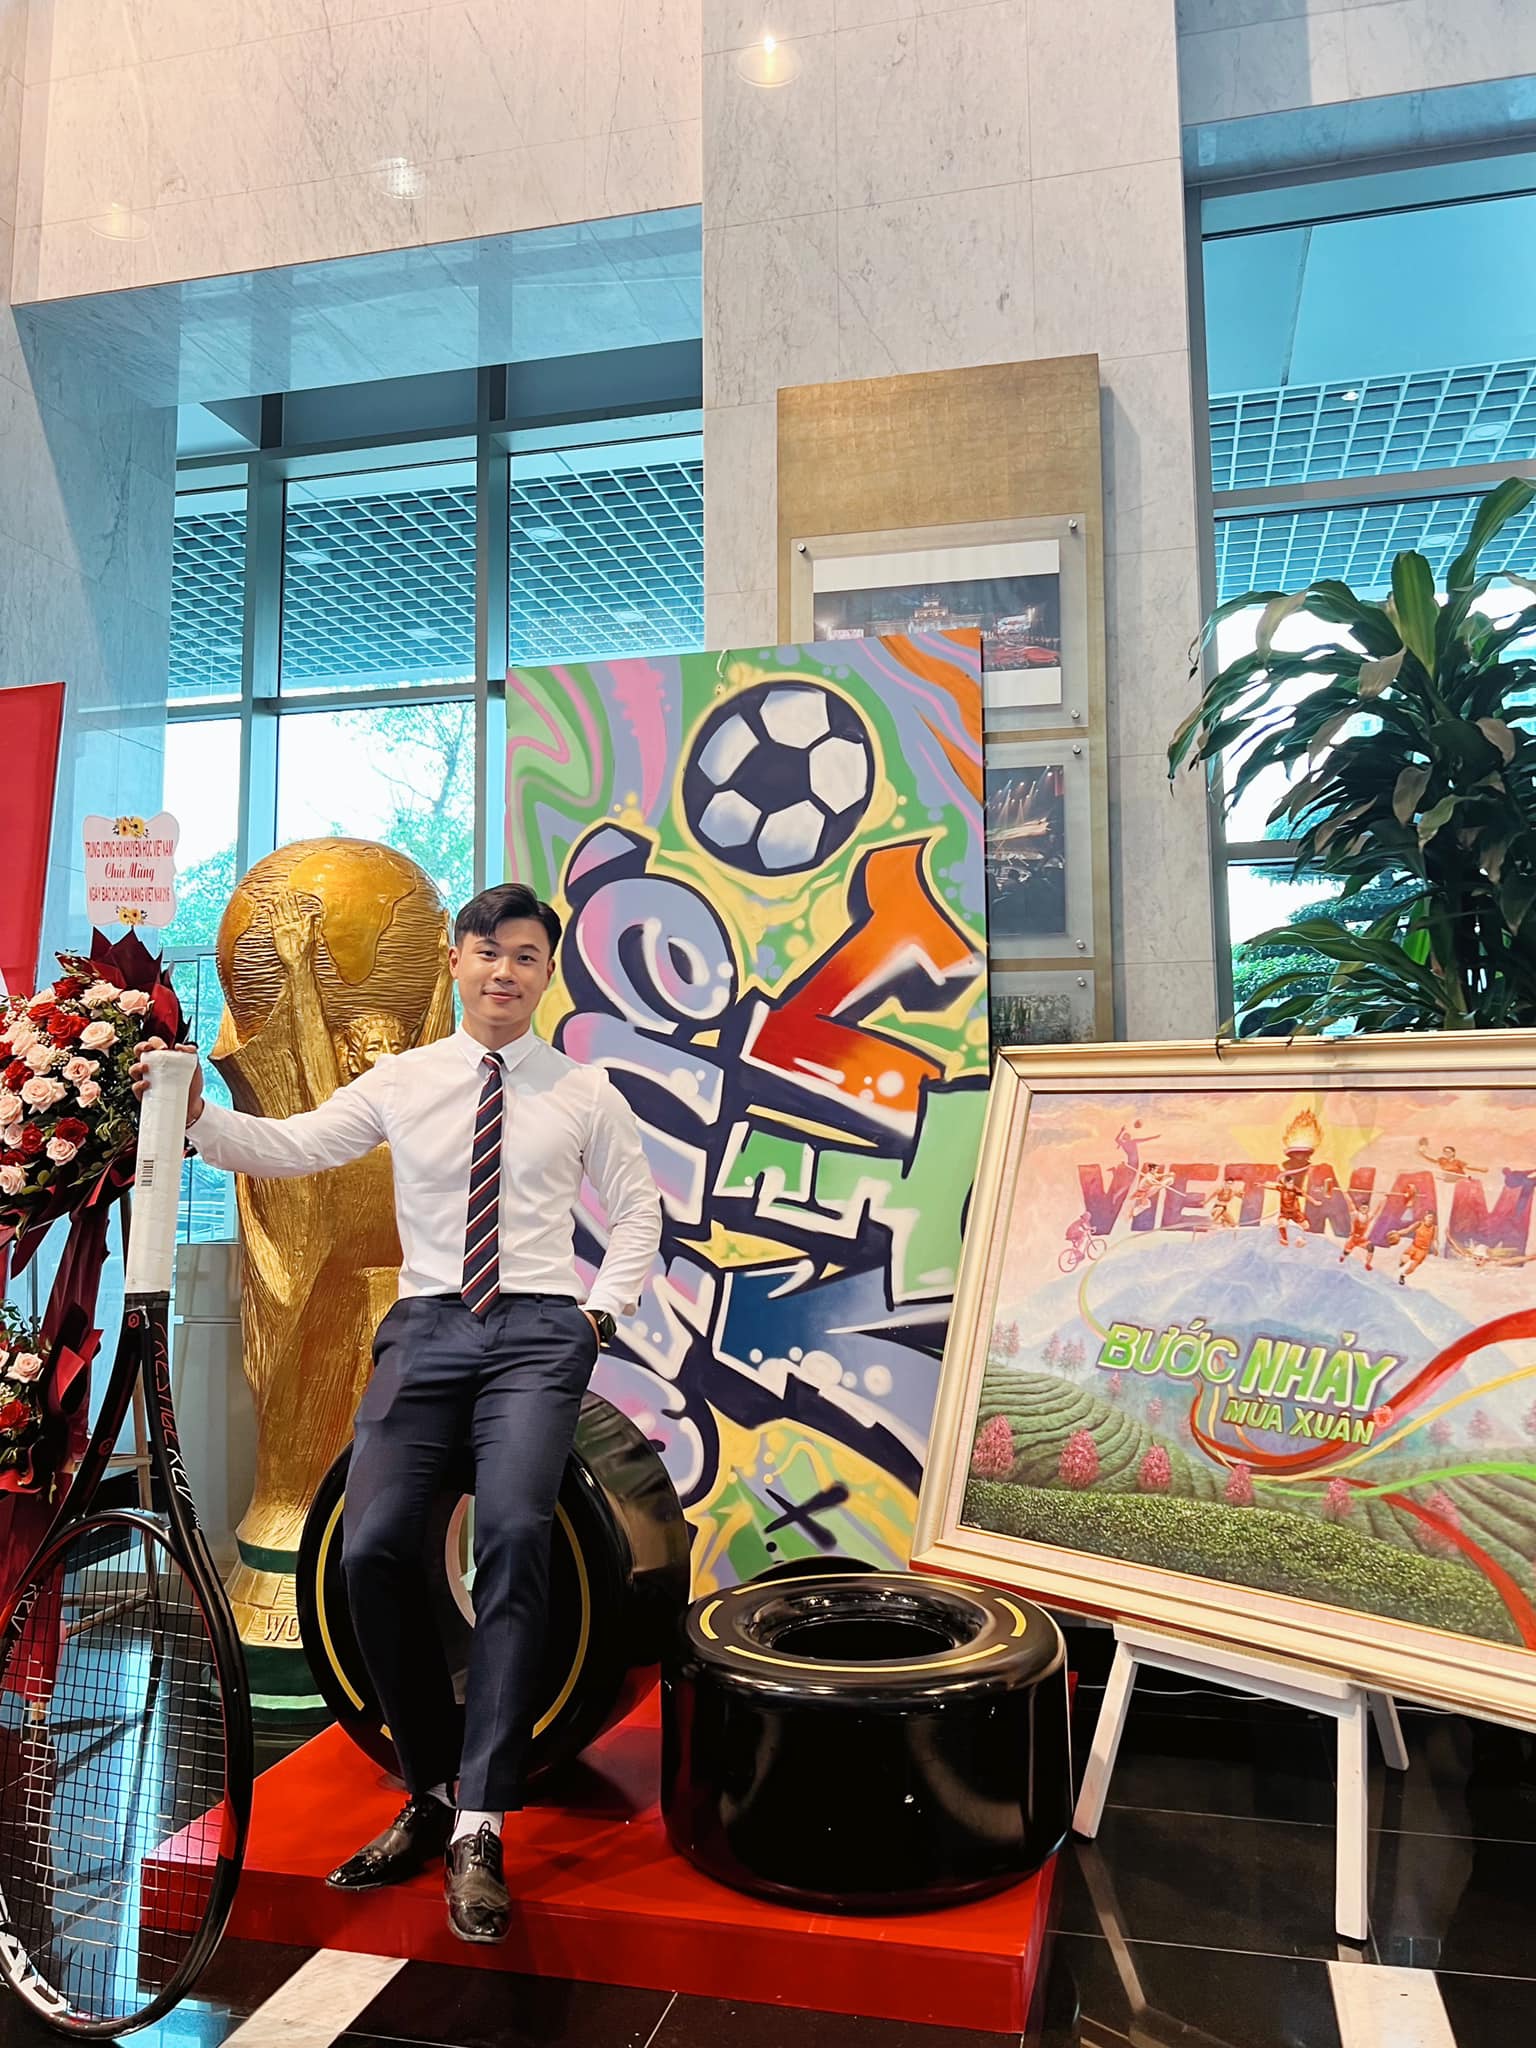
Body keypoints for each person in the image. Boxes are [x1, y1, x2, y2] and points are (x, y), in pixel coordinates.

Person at [132, 882, 661, 1945]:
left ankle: (480, 1824)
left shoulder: (584, 1091)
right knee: (371, 1547)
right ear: (457, 963)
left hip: (536, 1328)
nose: (505, 971)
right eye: (488, 951)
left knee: (513, 1539)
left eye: (526, 955)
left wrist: (598, 1317)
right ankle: (429, 1785)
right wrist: (196, 1119)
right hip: (425, 1328)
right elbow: (292, 1146)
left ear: (546, 974)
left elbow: (639, 1209)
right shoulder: (403, 1079)